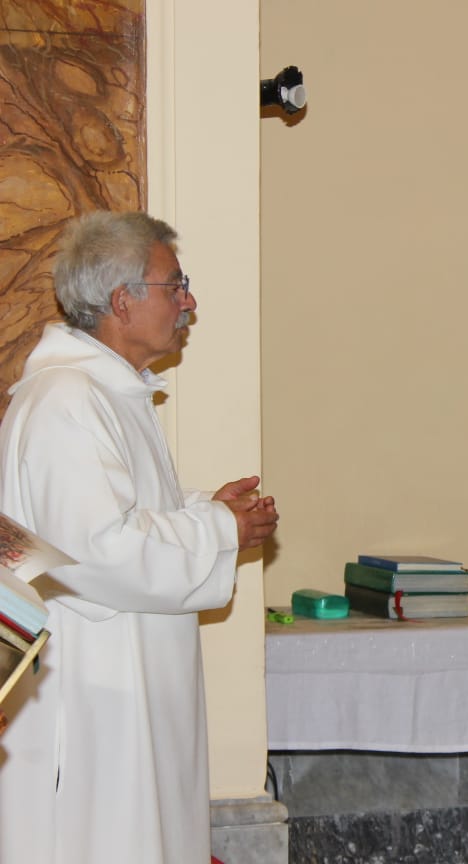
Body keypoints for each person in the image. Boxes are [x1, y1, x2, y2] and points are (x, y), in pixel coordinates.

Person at [0, 211, 280, 864]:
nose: (189, 302)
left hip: (121, 677)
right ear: (122, 301)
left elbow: (123, 512)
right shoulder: (67, 400)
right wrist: (216, 529)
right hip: (92, 688)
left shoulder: (105, 393)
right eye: (174, 284)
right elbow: (96, 549)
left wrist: (208, 510)